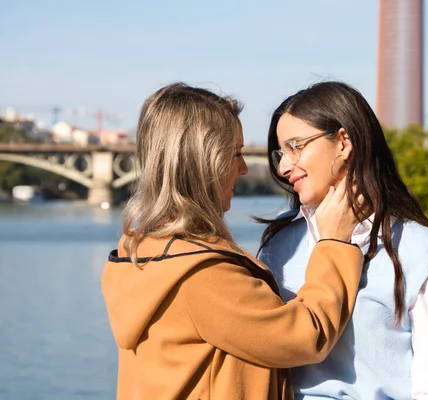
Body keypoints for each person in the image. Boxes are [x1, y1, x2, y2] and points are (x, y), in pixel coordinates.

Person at [101, 82, 367, 400]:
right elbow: (305, 337)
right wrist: (335, 243)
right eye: (235, 154)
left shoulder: (140, 256)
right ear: (204, 163)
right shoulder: (199, 274)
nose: (243, 169)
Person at [258, 81, 428, 400]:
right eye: (280, 152)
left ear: (343, 142)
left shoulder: (419, 249)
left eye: (295, 146)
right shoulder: (279, 245)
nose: (284, 166)